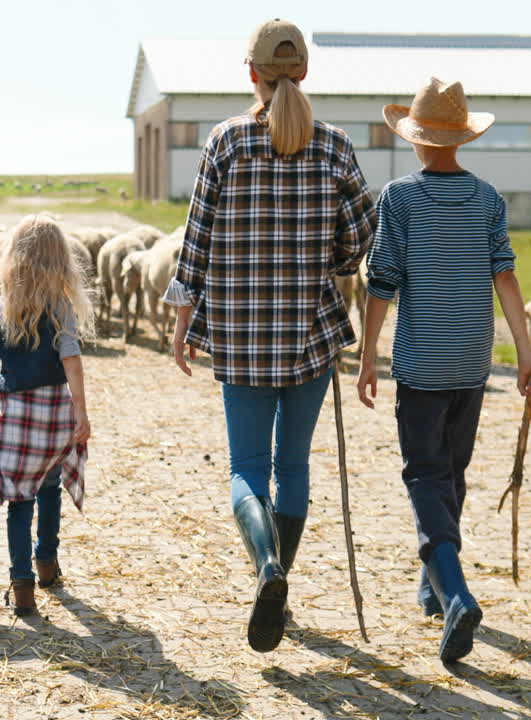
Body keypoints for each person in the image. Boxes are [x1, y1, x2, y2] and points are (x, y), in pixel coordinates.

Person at [163, 19, 376, 653]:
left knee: (247, 470)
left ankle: (267, 569)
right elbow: (363, 234)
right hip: (310, 337)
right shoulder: (334, 145)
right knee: (293, 468)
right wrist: (336, 264)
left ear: (250, 73)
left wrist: (181, 322)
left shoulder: (224, 142)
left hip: (240, 336)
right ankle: (281, 574)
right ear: (304, 73)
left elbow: (195, 241)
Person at [356, 77, 531, 662]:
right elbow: (507, 278)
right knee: (453, 472)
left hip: (420, 363)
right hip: (472, 360)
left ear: (416, 138)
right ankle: (434, 588)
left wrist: (367, 355)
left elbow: (382, 282)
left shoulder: (399, 198)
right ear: (460, 138)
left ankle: (456, 593)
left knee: (423, 476)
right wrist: (525, 353)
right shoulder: (488, 197)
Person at [0, 215, 94, 617]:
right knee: (49, 487)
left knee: (18, 500)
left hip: (16, 415)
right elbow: (72, 361)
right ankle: (47, 563)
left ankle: (21, 584)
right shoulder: (61, 309)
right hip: (54, 417)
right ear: (61, 261)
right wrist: (81, 413)